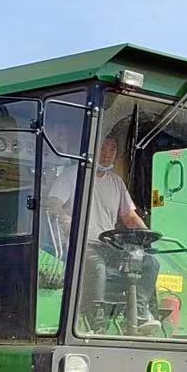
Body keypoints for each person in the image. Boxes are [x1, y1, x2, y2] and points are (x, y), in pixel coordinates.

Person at [80, 131, 161, 333]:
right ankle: (96, 322)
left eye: (112, 149)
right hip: (81, 245)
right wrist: (68, 222)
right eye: (102, 148)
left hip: (108, 246)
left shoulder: (116, 182)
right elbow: (53, 204)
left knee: (149, 262)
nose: (106, 154)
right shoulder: (75, 176)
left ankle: (138, 314)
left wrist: (147, 235)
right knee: (97, 266)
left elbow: (129, 217)